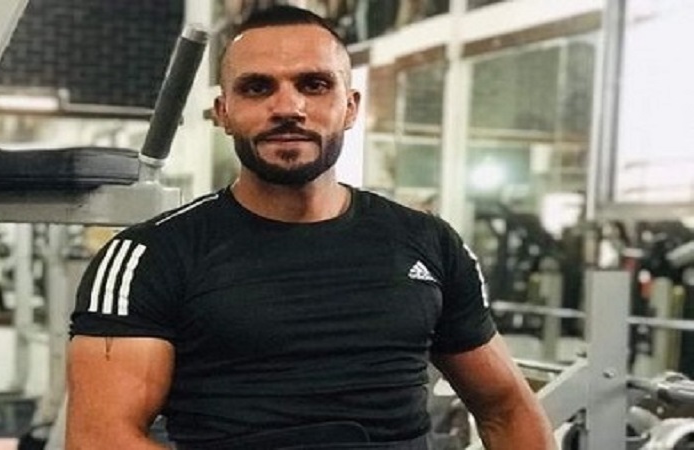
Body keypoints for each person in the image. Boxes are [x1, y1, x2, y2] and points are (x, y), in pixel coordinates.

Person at [66, 5, 555, 450]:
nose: (288, 108)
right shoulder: (149, 256)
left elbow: (506, 409)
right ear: (224, 113)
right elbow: (98, 440)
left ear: (350, 106)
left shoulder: (429, 243)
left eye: (314, 85)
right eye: (257, 88)